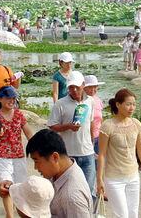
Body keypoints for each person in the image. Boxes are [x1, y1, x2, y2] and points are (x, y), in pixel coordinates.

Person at [0, 129, 93, 217]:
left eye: (36, 161)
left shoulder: (72, 197)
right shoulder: (60, 172)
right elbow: (39, 190)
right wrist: (11, 189)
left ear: (55, 157)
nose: (35, 167)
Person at [96, 88, 141, 218]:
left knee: (133, 214)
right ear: (118, 104)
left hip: (133, 176)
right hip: (113, 178)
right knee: (122, 215)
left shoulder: (136, 124)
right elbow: (102, 155)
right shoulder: (107, 126)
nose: (131, 108)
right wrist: (99, 180)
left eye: (134, 104)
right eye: (128, 104)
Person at [0, 86, 34, 218]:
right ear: (0, 98)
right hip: (2, 156)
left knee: (19, 187)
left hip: (18, 155)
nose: (11, 101)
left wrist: (37, 147)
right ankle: (10, 215)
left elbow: (28, 132)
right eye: (8, 98)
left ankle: (19, 213)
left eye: (13, 98)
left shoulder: (19, 114)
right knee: (5, 186)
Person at [48, 71, 96, 199]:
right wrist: (68, 126)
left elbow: (91, 123)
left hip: (87, 153)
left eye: (76, 86)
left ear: (83, 85)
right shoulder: (60, 104)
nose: (74, 90)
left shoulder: (90, 101)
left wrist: (92, 142)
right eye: (70, 87)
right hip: (68, 155)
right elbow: (52, 126)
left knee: (89, 190)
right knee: (67, 192)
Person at [83, 75, 104, 156]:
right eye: (90, 87)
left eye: (95, 87)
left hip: (98, 136)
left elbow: (100, 118)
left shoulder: (98, 100)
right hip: (86, 137)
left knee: (98, 160)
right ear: (84, 88)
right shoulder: (82, 101)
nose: (93, 89)